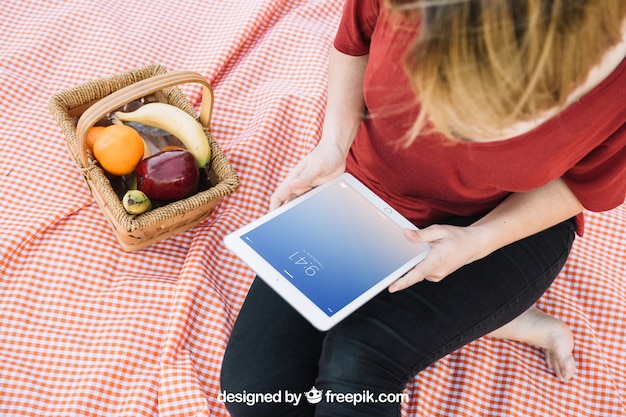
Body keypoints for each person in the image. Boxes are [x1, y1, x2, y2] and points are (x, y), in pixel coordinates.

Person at [221, 0, 626, 415]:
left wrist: (476, 241)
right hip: (370, 191)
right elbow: (353, 42)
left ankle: (497, 316)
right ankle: (493, 318)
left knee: (358, 358)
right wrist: (334, 145)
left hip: (507, 226)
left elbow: (583, 184)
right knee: (255, 394)